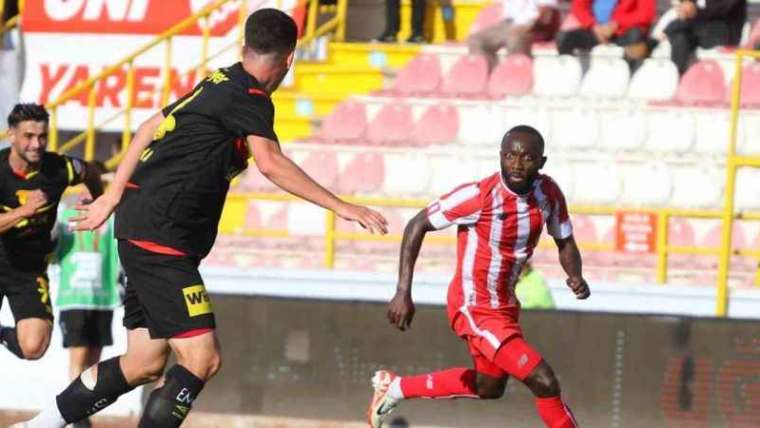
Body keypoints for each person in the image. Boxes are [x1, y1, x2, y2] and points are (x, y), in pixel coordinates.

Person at [13, 8, 387, 428]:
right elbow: (271, 164)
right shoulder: (249, 98)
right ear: (289, 59)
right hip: (161, 236)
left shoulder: (219, 80)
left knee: (144, 362)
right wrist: (343, 206)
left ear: (245, 47)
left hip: (144, 228)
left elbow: (148, 127)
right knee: (202, 358)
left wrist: (115, 195)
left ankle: (37, 425)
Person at [367, 125, 590, 428]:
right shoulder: (479, 196)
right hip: (474, 306)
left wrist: (574, 274)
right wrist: (403, 291)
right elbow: (417, 224)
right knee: (544, 381)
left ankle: (394, 389)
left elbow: (565, 241)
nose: (517, 164)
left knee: (489, 387)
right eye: (510, 155)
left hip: (505, 307)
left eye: (527, 158)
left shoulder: (548, 193)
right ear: (500, 156)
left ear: (541, 162)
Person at [0, 103, 103, 362]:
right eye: (28, 136)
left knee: (33, 347)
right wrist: (23, 211)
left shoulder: (60, 168)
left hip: (29, 270)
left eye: (42, 136)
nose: (36, 144)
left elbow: (90, 171)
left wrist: (99, 201)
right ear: (12, 134)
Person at [54, 198, 121, 428]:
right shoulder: (63, 215)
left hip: (103, 299)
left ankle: (83, 410)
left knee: (94, 364)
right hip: (74, 297)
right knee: (78, 358)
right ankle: (77, 416)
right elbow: (52, 247)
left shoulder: (111, 217)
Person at [556, 0, 656, 71]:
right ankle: (566, 75)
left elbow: (646, 15)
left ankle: (628, 75)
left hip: (624, 32)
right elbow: (579, 7)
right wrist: (594, 26)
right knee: (563, 37)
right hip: (595, 30)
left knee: (636, 36)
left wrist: (617, 24)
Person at [468, 0, 561, 70]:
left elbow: (546, 14)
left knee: (515, 37)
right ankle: (491, 76)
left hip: (535, 25)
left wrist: (530, 26)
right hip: (508, 23)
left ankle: (518, 74)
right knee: (477, 40)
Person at [663, 0, 747, 75]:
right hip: (700, 26)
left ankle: (660, 36)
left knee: (680, 26)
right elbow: (690, 7)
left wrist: (694, 11)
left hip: (726, 30)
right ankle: (677, 76)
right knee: (680, 37)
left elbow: (720, 10)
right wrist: (686, 7)